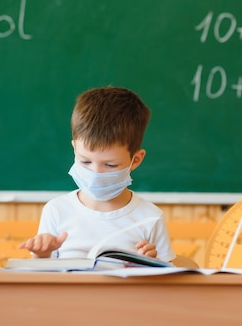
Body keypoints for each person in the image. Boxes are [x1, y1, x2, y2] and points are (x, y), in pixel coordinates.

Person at [19, 86, 194, 267]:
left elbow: (166, 282)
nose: (95, 174)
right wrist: (42, 255)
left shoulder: (150, 217)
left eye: (110, 165)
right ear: (74, 149)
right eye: (85, 162)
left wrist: (152, 264)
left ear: (135, 160)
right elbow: (42, 280)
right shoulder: (56, 211)